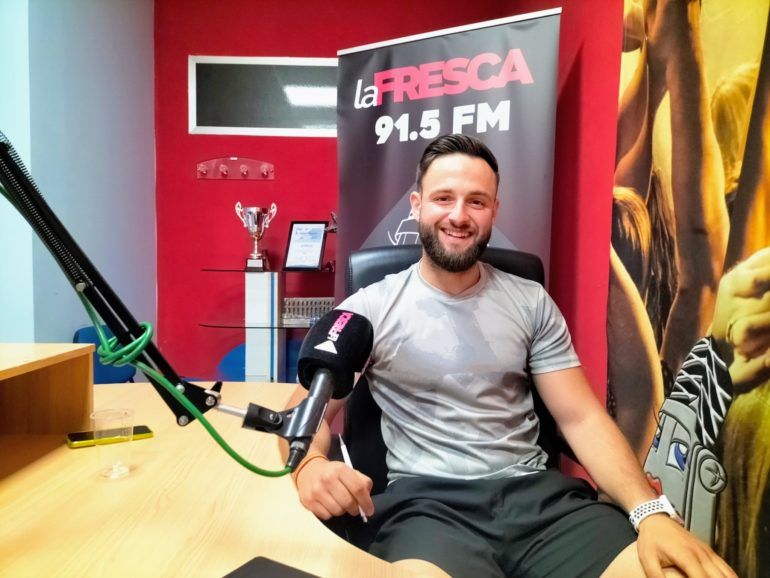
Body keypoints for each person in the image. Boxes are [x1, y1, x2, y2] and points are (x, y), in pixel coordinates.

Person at [286, 134, 735, 577]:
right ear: (417, 205)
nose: (459, 215)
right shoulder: (369, 309)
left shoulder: (529, 301)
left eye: (476, 202)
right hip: (426, 509)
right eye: (443, 198)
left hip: (538, 504)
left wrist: (650, 512)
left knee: (668, 572)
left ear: (494, 211)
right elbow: (306, 412)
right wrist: (310, 466)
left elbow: (581, 418)